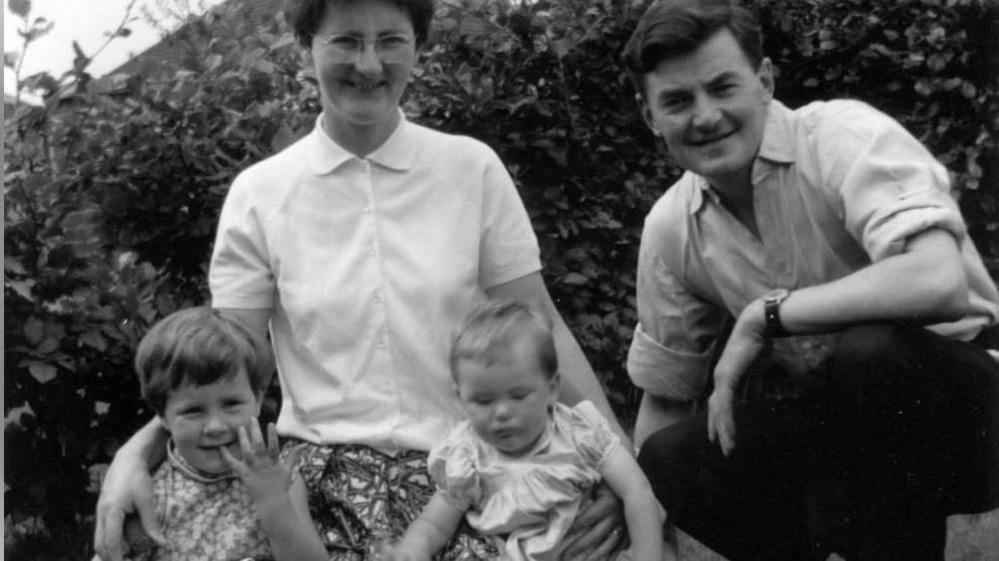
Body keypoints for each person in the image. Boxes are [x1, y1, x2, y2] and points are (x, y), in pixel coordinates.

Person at [94, 1, 630, 560]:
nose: (370, 65)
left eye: (391, 41)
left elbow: (540, 327)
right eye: (346, 41)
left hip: (472, 471)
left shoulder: (471, 169)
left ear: (418, 48)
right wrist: (137, 454)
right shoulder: (260, 194)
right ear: (307, 46)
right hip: (321, 485)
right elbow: (220, 371)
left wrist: (616, 460)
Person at [620, 1, 999, 560]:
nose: (704, 117)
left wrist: (765, 315)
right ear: (649, 115)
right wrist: (643, 518)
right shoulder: (672, 227)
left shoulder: (840, 136)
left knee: (871, 352)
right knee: (668, 455)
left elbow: (938, 278)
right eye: (676, 101)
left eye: (723, 87)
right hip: (843, 436)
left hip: (967, 416)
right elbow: (667, 396)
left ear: (765, 80)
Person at [381, 299, 673, 561]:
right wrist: (411, 550)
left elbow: (637, 491)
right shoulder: (467, 456)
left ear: (552, 388)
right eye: (483, 401)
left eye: (518, 395)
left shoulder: (579, 431)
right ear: (461, 398)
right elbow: (434, 524)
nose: (502, 412)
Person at [125, 306, 327, 561]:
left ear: (257, 399)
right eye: (194, 410)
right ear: (163, 415)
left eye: (231, 404)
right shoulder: (151, 489)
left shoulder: (280, 477)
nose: (216, 426)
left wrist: (273, 499)